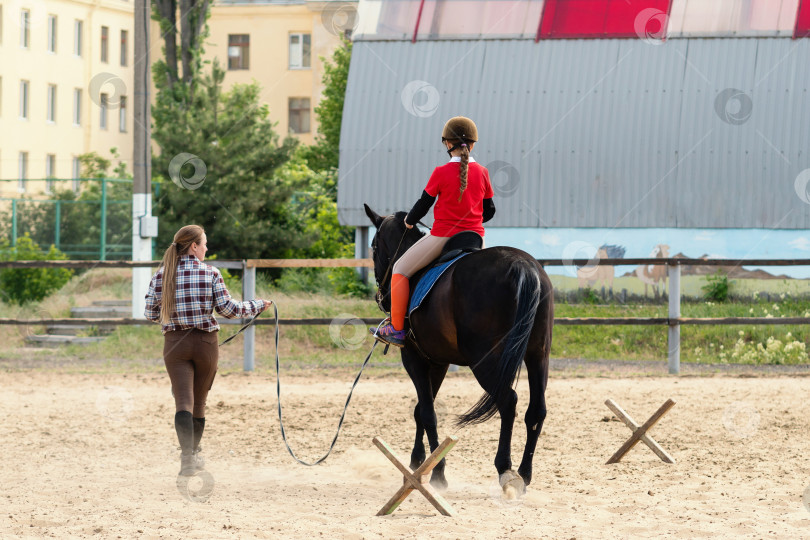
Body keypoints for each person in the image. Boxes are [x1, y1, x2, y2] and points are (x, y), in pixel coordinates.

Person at [145, 225, 270, 476]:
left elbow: (150, 314)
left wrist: (175, 318)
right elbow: (229, 310)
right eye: (204, 243)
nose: (206, 248)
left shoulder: (161, 275)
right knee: (199, 403)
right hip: (205, 345)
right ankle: (193, 454)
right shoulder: (211, 273)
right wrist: (258, 305)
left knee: (183, 402)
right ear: (193, 246)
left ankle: (186, 460)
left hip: (175, 345)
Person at [374, 116, 496, 348]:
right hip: (476, 238)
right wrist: (472, 220)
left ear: (446, 143)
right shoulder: (482, 172)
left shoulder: (440, 172)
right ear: (472, 144)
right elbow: (489, 210)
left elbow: (423, 204)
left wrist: (410, 221)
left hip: (443, 236)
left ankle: (397, 329)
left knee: (399, 269)